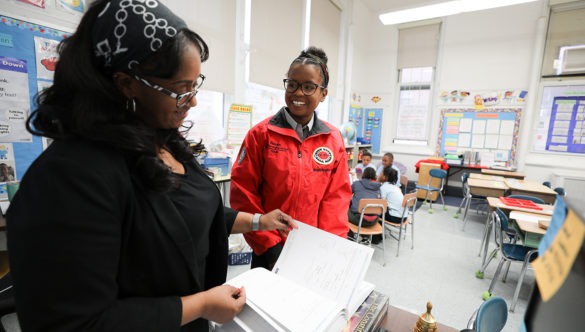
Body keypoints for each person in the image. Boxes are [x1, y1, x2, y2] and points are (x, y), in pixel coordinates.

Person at [6, 1, 296, 331]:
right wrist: (199, 304)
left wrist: (258, 221)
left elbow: (182, 211)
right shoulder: (69, 178)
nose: (194, 100)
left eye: (194, 84)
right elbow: (76, 323)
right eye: (180, 89)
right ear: (126, 83)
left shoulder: (162, 138)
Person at [230, 46, 352, 270]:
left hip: (312, 248)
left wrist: (330, 247)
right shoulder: (261, 134)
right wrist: (270, 246)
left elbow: (336, 200)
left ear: (323, 93)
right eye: (292, 84)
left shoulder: (333, 140)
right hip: (268, 249)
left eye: (308, 87)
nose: (298, 93)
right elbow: (243, 194)